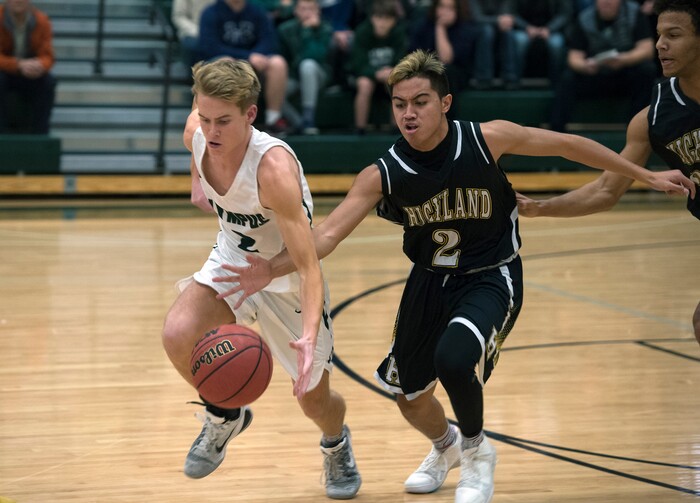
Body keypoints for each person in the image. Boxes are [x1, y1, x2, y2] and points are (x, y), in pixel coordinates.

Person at [208, 50, 694, 502]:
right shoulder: (383, 173)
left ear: (445, 103)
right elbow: (328, 235)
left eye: (420, 102)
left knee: (455, 358)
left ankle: (479, 453)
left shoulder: (487, 138)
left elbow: (569, 146)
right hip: (428, 281)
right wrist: (268, 270)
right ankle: (447, 446)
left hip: (490, 274)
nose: (409, 113)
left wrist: (647, 176)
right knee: (409, 395)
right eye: (399, 104)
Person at [162, 58, 362, 500]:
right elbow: (195, 127)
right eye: (206, 117)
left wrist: (309, 336)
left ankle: (336, 443)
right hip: (234, 258)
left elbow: (309, 263)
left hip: (285, 272)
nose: (211, 132)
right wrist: (197, 179)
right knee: (178, 333)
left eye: (224, 122)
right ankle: (225, 415)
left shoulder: (272, 171)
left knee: (313, 399)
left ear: (251, 115)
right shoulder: (197, 131)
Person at [518, 0, 700, 347]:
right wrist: (541, 208)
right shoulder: (654, 118)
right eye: (659, 35)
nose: (661, 44)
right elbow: (605, 190)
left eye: (673, 35)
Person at [549, 0, 657, 132]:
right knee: (567, 77)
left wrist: (624, 59)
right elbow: (574, 57)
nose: (607, 2)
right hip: (595, 74)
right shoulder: (585, 17)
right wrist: (585, 66)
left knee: (647, 70)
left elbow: (647, 50)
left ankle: (638, 130)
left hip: (625, 73)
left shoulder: (635, 13)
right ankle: (557, 130)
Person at [198, 0, 291, 136]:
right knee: (225, 63)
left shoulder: (257, 11)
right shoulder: (210, 12)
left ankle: (274, 120)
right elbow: (209, 47)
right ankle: (228, 119)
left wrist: (256, 56)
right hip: (226, 61)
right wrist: (247, 56)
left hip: (254, 63)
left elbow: (269, 41)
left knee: (278, 63)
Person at [409, 0, 481, 113]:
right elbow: (414, 54)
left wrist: (440, 27)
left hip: (456, 75)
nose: (444, 12)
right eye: (441, 6)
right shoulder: (424, 25)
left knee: (445, 73)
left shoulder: (466, 28)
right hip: (426, 71)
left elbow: (446, 59)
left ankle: (447, 124)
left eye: (450, 8)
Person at [348, 0, 407, 135]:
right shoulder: (362, 32)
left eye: (387, 18)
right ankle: (360, 128)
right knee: (364, 84)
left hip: (390, 75)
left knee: (398, 82)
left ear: (394, 20)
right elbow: (358, 64)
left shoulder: (398, 34)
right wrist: (375, 73)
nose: (382, 23)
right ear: (372, 18)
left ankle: (396, 127)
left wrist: (392, 72)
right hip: (366, 75)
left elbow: (403, 61)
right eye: (378, 18)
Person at [277, 0, 334, 134]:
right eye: (303, 8)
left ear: (318, 11)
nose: (307, 13)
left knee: (307, 65)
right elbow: (284, 58)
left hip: (320, 75)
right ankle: (299, 123)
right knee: (275, 91)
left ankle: (309, 119)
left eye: (311, 9)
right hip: (294, 76)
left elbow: (316, 57)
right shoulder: (285, 29)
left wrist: (307, 30)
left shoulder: (325, 28)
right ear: (295, 10)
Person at [0, 0, 55, 134]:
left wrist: (39, 65)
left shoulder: (41, 21)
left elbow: (48, 56)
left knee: (48, 82)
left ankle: (40, 134)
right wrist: (18, 65)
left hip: (30, 72)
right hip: (5, 70)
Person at [510, 0, 572, 85]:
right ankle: (515, 81)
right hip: (524, 29)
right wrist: (526, 27)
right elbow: (513, 13)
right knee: (520, 41)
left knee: (556, 44)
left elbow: (564, 14)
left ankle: (556, 83)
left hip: (551, 30)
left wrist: (549, 29)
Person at [470, 0, 519, 89]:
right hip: (478, 27)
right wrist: (498, 20)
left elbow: (506, 15)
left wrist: (503, 21)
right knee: (487, 32)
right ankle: (483, 78)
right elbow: (477, 18)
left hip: (498, 26)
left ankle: (510, 77)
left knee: (508, 32)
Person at [171, 0, 214, 66]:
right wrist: (198, 31)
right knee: (194, 46)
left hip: (215, 32)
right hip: (192, 32)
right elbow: (179, 17)